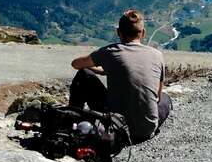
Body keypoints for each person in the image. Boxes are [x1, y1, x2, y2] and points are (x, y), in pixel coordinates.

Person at [69, 9, 172, 144]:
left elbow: (76, 64)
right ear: (143, 33)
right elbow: (157, 97)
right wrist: (109, 70)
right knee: (165, 98)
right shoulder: (157, 55)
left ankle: (71, 121)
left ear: (118, 32)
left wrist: (104, 67)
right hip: (145, 131)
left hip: (116, 128)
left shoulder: (110, 52)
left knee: (84, 75)